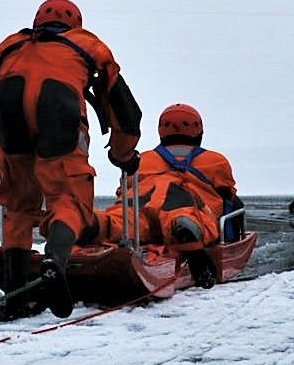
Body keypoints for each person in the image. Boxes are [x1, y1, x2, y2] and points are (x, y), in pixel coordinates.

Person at [0, 0, 142, 317]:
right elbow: (124, 110)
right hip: (59, 119)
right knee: (70, 201)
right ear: (74, 23)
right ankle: (55, 260)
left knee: (19, 205)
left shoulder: (9, 48)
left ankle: (16, 298)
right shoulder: (88, 45)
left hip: (9, 125)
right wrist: (124, 154)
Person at [97, 103, 242, 287]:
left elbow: (123, 189)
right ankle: (185, 230)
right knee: (194, 216)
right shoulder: (215, 161)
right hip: (183, 204)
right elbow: (227, 192)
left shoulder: (142, 159)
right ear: (198, 130)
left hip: (142, 204)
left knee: (124, 219)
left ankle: (95, 224)